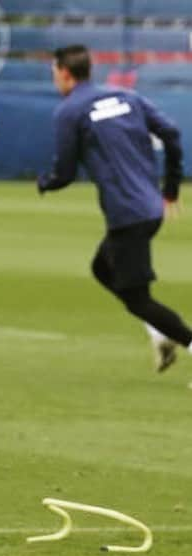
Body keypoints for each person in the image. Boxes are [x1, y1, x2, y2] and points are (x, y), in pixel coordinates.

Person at [38, 44, 192, 374]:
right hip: (149, 208)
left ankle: (177, 336)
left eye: (54, 73)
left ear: (65, 73)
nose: (55, 79)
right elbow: (172, 134)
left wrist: (45, 182)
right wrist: (171, 189)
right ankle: (159, 331)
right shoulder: (127, 98)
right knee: (103, 268)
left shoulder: (69, 111)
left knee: (137, 298)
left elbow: (64, 174)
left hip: (128, 216)